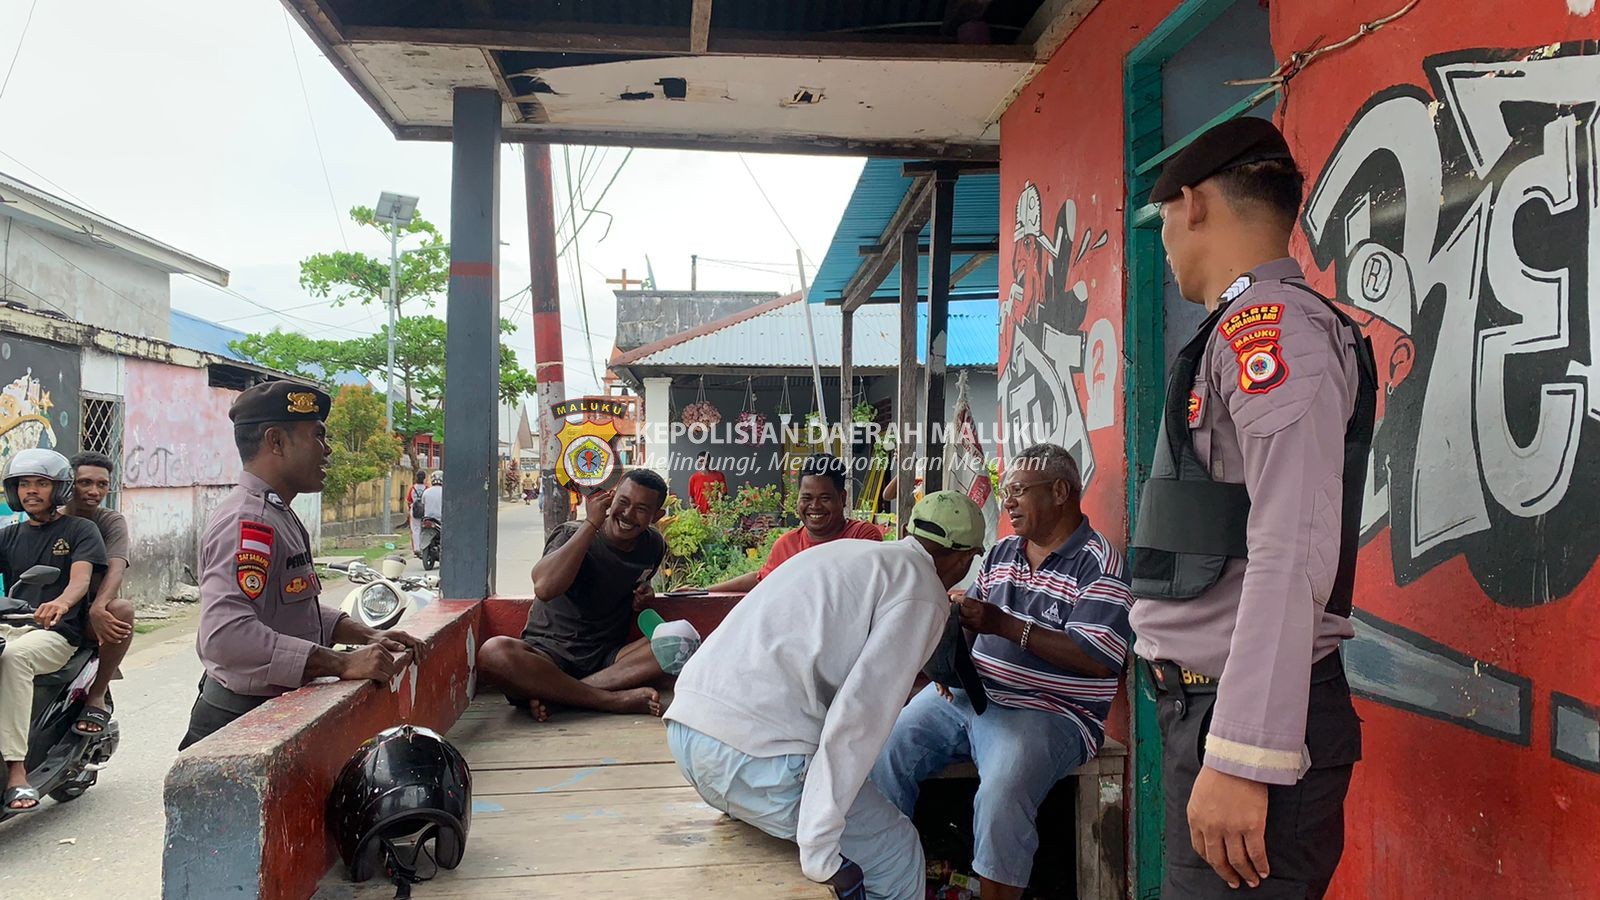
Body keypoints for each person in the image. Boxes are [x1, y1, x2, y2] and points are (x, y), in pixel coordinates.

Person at [1128, 117, 1375, 897]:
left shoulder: (1274, 330)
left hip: (1245, 728)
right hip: (1210, 711)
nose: (1164, 242)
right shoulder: (1237, 330)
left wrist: (1242, 754)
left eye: (1163, 218)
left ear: (1192, 205)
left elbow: (1290, 547)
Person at [664, 491, 987, 900]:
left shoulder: (852, 554)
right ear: (965, 558)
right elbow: (859, 718)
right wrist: (820, 846)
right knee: (898, 853)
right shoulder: (924, 591)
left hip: (688, 737)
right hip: (754, 762)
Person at [871, 444, 1133, 900]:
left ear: (1059, 492)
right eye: (1004, 490)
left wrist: (1005, 625)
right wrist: (950, 660)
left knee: (1003, 790)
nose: (1006, 501)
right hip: (971, 696)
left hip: (1051, 712)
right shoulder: (1004, 551)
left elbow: (1098, 657)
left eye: (1016, 491)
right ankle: (886, 882)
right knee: (883, 748)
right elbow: (977, 617)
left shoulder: (1100, 563)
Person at [180, 381, 422, 751]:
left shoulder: (276, 513)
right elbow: (227, 637)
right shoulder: (249, 522)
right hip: (241, 726)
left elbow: (292, 609)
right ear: (276, 441)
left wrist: (365, 635)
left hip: (272, 717)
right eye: (318, 437)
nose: (327, 452)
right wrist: (341, 664)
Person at [477, 469, 671, 721]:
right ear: (611, 498)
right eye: (623, 502)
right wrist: (591, 524)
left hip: (608, 659)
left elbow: (637, 585)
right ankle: (609, 700)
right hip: (548, 658)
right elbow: (545, 588)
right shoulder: (571, 533)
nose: (628, 514)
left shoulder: (652, 546)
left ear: (657, 516)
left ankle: (561, 699)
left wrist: (644, 595)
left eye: (642, 509)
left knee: (677, 640)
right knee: (494, 653)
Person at [0, 448, 107, 811]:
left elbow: (80, 580)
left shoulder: (79, 529)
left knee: (12, 659)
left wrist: (61, 603)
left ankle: (16, 772)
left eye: (41, 483)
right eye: (24, 484)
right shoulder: (8, 536)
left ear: (58, 489)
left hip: (56, 633)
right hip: (12, 625)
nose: (31, 490)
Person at [704, 454, 883, 594]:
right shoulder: (787, 544)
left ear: (842, 498)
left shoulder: (862, 536)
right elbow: (762, 580)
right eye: (806, 498)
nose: (815, 506)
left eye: (825, 498)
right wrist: (704, 591)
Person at [61, 451, 135, 737]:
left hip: (90, 616)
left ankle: (97, 692)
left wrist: (99, 606)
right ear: (70, 484)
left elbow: (116, 568)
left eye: (102, 484)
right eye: (85, 483)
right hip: (50, 614)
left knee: (123, 610)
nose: (94, 491)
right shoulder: (52, 520)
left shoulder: (110, 522)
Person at [406, 469, 427, 556]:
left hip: (414, 511)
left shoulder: (412, 488)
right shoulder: (426, 488)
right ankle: (424, 547)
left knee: (415, 530)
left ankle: (416, 549)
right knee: (424, 530)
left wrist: (410, 508)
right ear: (424, 478)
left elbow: (408, 500)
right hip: (424, 510)